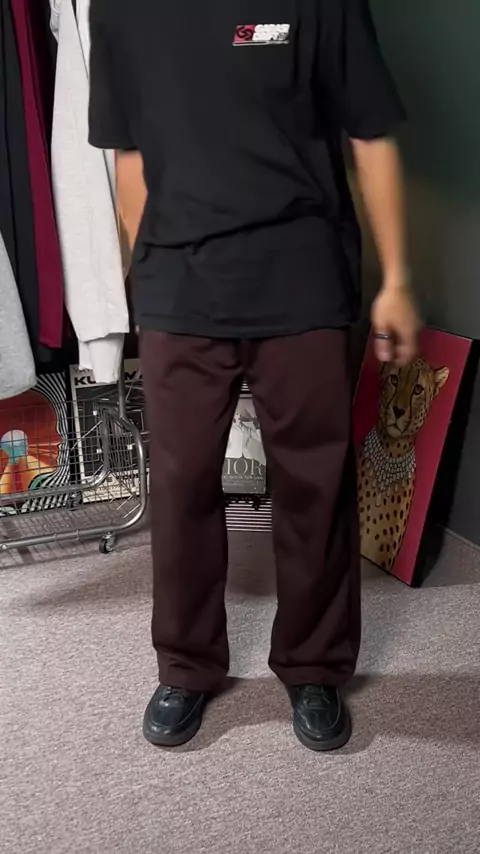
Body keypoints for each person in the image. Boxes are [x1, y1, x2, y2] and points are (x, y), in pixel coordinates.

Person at [88, 0, 421, 752]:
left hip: (302, 273)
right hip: (179, 285)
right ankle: (186, 665)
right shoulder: (119, 10)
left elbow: (369, 134)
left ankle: (314, 665)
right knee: (180, 485)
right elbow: (128, 153)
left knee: (315, 483)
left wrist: (398, 279)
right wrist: (149, 274)